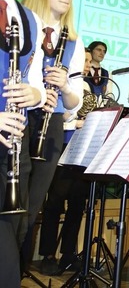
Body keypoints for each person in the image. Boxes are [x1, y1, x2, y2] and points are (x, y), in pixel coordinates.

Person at [20, 0, 85, 273]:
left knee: (31, 205)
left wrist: (65, 86)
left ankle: (16, 269)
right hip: (18, 117)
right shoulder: (21, 26)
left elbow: (74, 103)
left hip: (52, 123)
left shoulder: (73, 40)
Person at [0, 0, 48, 285]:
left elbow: (34, 79)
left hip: (14, 145)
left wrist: (37, 95)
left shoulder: (29, 19)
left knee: (11, 239)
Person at [37, 48, 92, 275]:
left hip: (80, 150)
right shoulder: (61, 83)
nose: (87, 65)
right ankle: (48, 255)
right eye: (85, 60)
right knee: (55, 203)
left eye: (89, 61)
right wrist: (75, 122)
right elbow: (62, 114)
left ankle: (68, 254)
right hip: (61, 146)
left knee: (77, 204)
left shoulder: (85, 88)